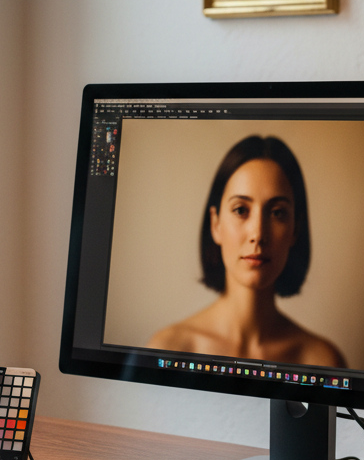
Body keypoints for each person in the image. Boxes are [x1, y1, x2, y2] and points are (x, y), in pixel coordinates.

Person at [146, 135, 346, 366]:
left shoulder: (323, 361)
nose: (258, 234)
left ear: (295, 230)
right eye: (241, 210)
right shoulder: (168, 350)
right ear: (215, 224)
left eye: (277, 212)